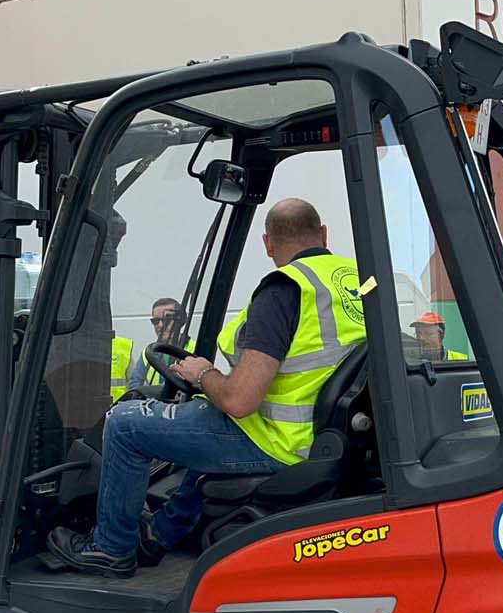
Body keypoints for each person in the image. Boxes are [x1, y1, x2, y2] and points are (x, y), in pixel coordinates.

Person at [47, 198, 365, 576]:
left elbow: (239, 400)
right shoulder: (357, 283)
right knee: (205, 429)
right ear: (324, 233)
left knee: (125, 423)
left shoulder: (284, 290)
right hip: (328, 436)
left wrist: (202, 375)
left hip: (282, 442)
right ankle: (158, 536)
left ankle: (110, 547)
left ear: (267, 243)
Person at [127, 297, 190, 390]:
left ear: (180, 321)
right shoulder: (148, 353)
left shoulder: (195, 348)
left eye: (167, 320)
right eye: (155, 321)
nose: (160, 325)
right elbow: (135, 387)